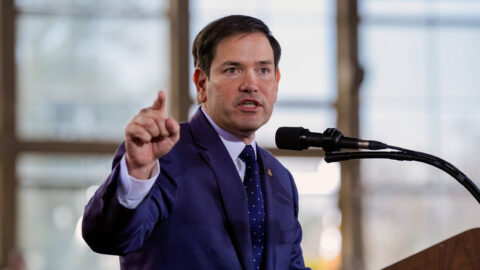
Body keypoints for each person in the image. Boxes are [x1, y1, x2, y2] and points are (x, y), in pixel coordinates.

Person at [82, 15, 310, 270]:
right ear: (202, 84)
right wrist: (136, 173)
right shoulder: (162, 157)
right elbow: (107, 238)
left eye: (263, 70)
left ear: (276, 83)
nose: (251, 85)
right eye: (233, 69)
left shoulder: (280, 179)